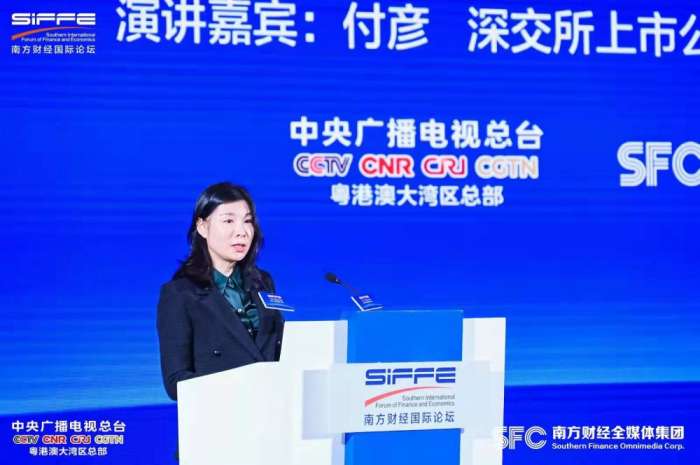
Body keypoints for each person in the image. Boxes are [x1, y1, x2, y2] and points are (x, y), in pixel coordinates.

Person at [157, 182, 284, 401]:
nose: (241, 232)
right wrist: (239, 387)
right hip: (219, 413)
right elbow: (175, 381)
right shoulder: (180, 294)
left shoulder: (263, 282)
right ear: (202, 227)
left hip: (271, 409)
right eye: (228, 221)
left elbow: (280, 349)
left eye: (247, 221)